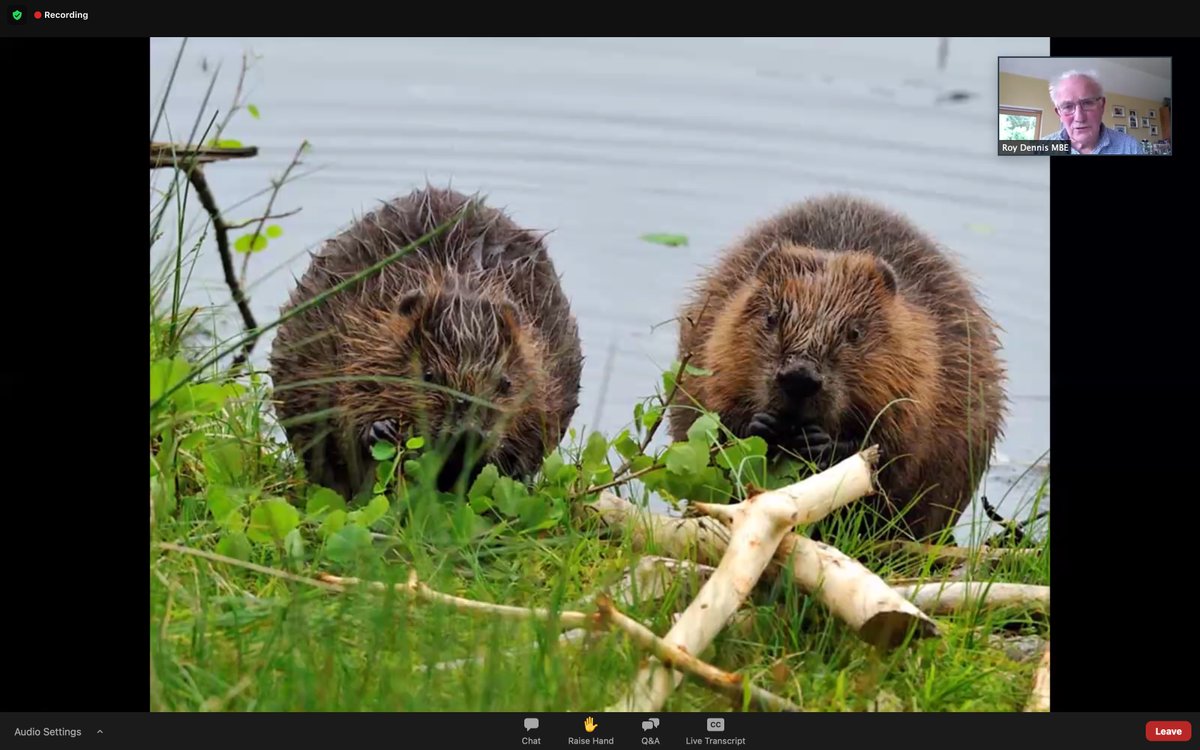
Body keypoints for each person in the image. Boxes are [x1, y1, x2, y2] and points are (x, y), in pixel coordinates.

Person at [1041, 70, 1145, 154]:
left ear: (1102, 105)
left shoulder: (1130, 147)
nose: (1079, 118)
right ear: (1059, 113)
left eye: (1087, 103)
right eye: (1068, 107)